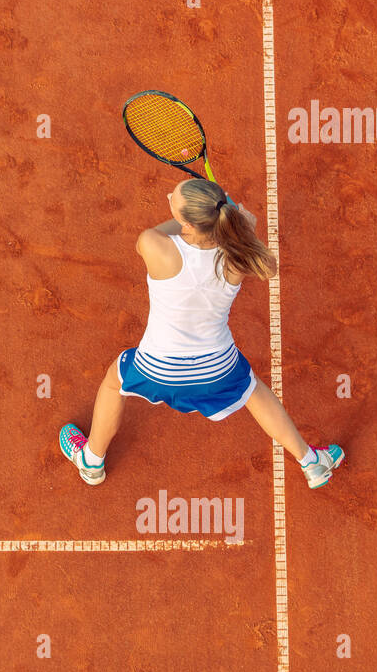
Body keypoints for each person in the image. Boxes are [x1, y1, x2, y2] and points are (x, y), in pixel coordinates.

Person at [59, 177, 344, 488]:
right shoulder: (238, 255)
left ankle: (92, 460)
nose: (169, 195)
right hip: (218, 371)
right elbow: (268, 265)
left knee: (115, 383)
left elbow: (160, 232)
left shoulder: (153, 245)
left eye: (174, 199)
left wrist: (196, 219)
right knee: (254, 391)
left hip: (158, 371)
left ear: (188, 224)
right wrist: (241, 225)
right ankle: (311, 463)